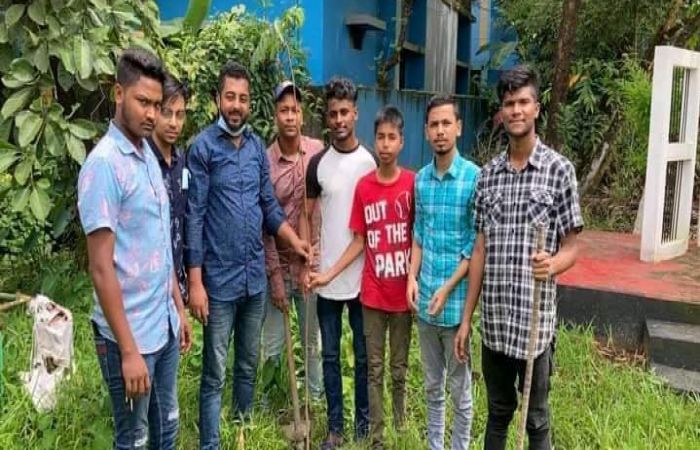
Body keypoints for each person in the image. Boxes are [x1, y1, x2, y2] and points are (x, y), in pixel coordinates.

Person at [454, 65, 583, 450]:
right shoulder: (488, 176)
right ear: (502, 111)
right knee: (498, 412)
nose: (516, 110)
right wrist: (467, 319)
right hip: (495, 323)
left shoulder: (559, 171)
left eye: (523, 102)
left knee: (536, 418)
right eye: (509, 103)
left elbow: (572, 247)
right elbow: (480, 249)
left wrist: (552, 264)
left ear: (536, 108)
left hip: (534, 326)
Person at [185, 61, 310, 449]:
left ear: (250, 103)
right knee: (214, 371)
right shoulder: (203, 148)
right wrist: (195, 282)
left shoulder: (256, 147)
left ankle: (242, 428)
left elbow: (268, 206)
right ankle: (210, 442)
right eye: (230, 97)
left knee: (247, 362)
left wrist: (294, 240)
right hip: (219, 282)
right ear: (217, 100)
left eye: (243, 98)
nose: (236, 105)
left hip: (254, 278)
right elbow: (194, 216)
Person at [77, 47, 192, 450]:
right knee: (135, 439)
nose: (151, 114)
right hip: (128, 337)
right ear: (118, 93)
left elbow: (160, 242)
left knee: (168, 428)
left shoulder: (147, 156)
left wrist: (178, 307)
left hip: (162, 325)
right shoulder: (104, 166)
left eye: (157, 105)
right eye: (143, 102)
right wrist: (128, 352)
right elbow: (100, 268)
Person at [308, 105, 414, 450]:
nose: (385, 144)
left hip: (391, 292)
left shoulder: (405, 181)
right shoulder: (356, 181)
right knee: (357, 363)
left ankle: (387, 429)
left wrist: (417, 279)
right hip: (366, 291)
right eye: (381, 137)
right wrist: (322, 272)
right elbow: (357, 238)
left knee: (391, 366)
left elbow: (419, 236)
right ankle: (355, 432)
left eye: (392, 138)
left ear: (401, 141)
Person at [301, 76, 376, 449]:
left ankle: (363, 426)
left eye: (345, 112)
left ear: (355, 113)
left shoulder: (370, 163)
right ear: (326, 117)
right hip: (326, 282)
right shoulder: (317, 164)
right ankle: (335, 428)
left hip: (362, 281)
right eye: (333, 113)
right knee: (329, 356)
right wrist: (307, 255)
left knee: (363, 358)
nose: (339, 120)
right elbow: (306, 214)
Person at [406, 94, 479, 450]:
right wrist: (411, 277)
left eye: (446, 123)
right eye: (434, 124)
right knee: (432, 387)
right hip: (425, 308)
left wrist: (448, 288)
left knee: (460, 392)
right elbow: (419, 235)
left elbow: (474, 246)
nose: (440, 131)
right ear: (426, 130)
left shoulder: (473, 178)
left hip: (455, 308)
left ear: (458, 128)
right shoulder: (420, 180)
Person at [261, 81, 324, 401]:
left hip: (310, 266)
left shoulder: (316, 151)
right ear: (275, 115)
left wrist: (314, 261)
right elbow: (265, 224)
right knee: (272, 345)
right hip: (279, 265)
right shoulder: (265, 161)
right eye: (284, 110)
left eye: (295, 110)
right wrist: (275, 278)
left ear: (302, 115)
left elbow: (322, 207)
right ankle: (270, 406)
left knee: (312, 343)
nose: (290, 116)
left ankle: (316, 402)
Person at [147, 73, 190, 303]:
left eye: (180, 115)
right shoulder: (141, 162)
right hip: (147, 289)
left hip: (177, 288)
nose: (174, 123)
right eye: (167, 113)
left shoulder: (182, 161)